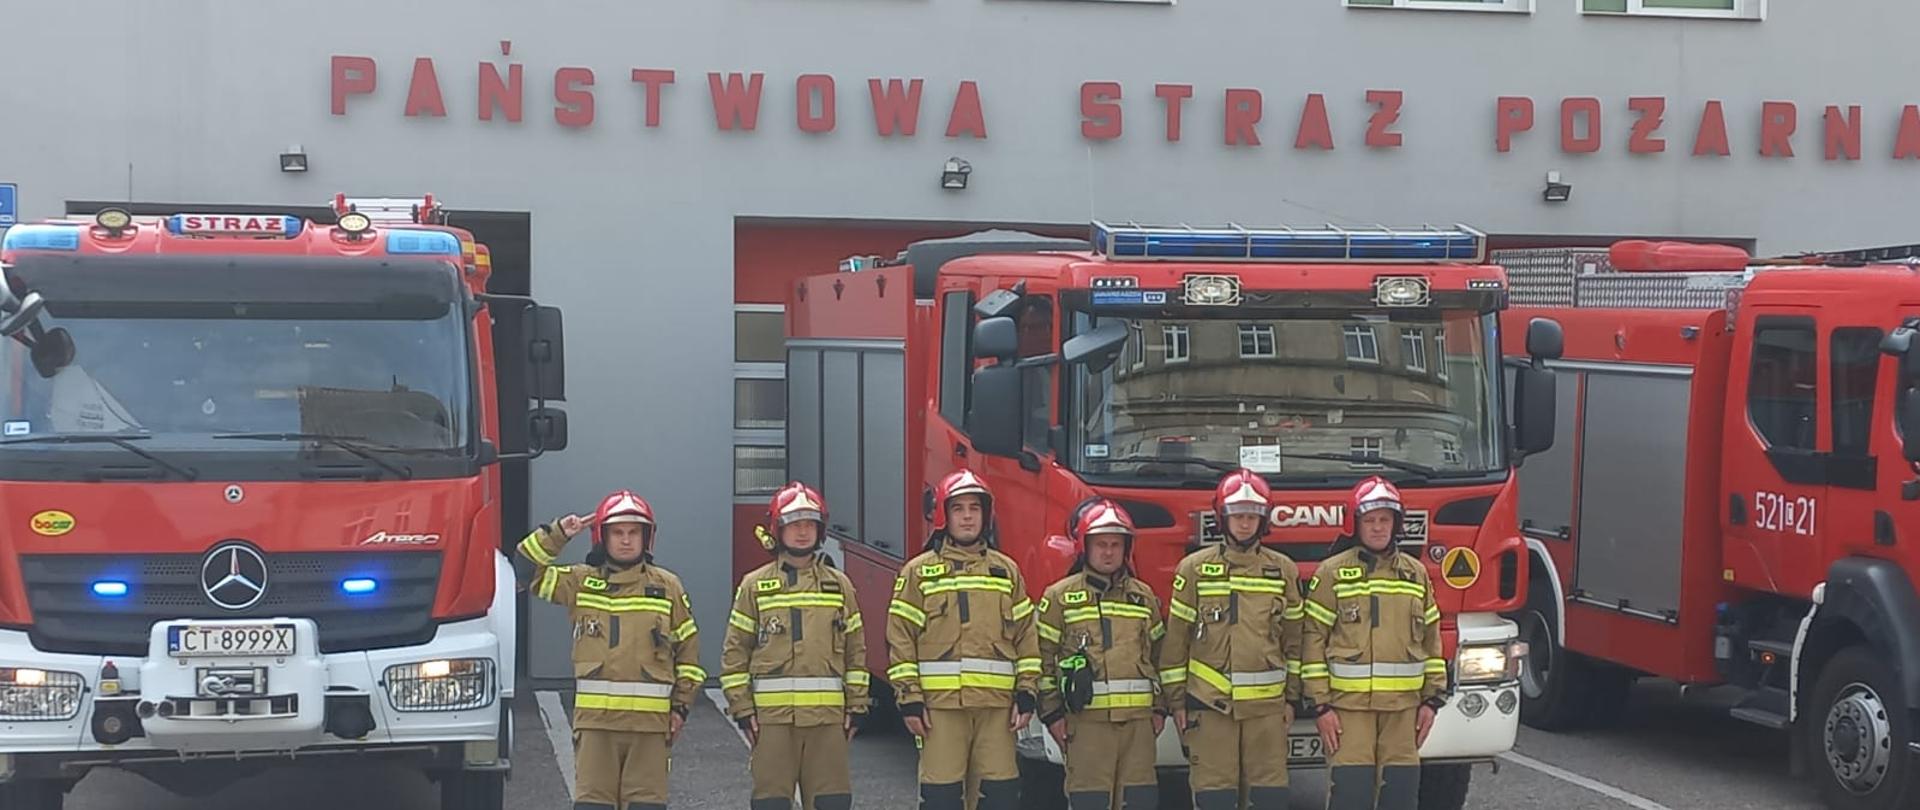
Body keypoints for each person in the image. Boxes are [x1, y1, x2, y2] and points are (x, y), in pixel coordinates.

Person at [517, 490, 704, 810]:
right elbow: (525, 572)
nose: (626, 540)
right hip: (596, 729)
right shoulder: (580, 582)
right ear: (602, 537)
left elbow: (688, 653)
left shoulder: (667, 587)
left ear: (647, 537)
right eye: (617, 532)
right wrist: (559, 533)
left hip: (649, 729)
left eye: (634, 532)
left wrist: (680, 708)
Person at [886, 469, 1042, 810]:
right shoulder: (918, 573)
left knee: (1000, 797)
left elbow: (1027, 638)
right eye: (958, 508)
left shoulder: (1007, 572)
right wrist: (909, 699)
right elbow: (900, 641)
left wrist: (1027, 692)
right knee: (941, 798)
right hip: (940, 709)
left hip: (997, 711)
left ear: (986, 515)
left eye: (975, 508)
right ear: (944, 515)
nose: (968, 516)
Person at [1158, 468, 1305, 810]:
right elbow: (1176, 643)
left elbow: (1295, 642)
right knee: (1215, 798)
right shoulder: (1193, 569)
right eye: (1238, 515)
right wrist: (1177, 703)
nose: (1244, 523)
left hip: (1267, 712)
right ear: (1222, 518)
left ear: (1263, 520)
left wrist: (1292, 699)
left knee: (1268, 799)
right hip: (1209, 707)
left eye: (1252, 516)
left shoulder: (1284, 570)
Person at [1301, 477, 1448, 810]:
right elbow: (1312, 641)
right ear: (1355, 524)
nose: (1378, 527)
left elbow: (1432, 641)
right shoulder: (1332, 573)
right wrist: (1320, 707)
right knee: (1350, 797)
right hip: (1348, 712)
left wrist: (1432, 700)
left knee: (1400, 798)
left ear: (1397, 523)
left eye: (1385, 519)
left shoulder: (1416, 574)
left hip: (1404, 713)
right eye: (1370, 520)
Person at [720, 482, 869, 810]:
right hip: (772, 723)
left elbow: (856, 652)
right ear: (778, 529)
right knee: (771, 802)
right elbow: (735, 653)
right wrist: (743, 710)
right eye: (794, 524)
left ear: (821, 530)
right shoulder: (755, 586)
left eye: (810, 524)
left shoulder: (839, 586)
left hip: (827, 723)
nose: (803, 532)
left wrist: (857, 706)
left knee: (832, 801)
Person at [1036, 497, 1167, 810]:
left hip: (1138, 728)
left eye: (1115, 544)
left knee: (1139, 801)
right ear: (1084, 546)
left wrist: (1160, 709)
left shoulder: (1144, 598)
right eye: (1101, 544)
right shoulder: (1059, 598)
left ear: (1126, 549)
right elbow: (1042, 660)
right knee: (1089, 802)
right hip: (1085, 727)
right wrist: (1052, 715)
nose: (1108, 552)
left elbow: (1162, 658)